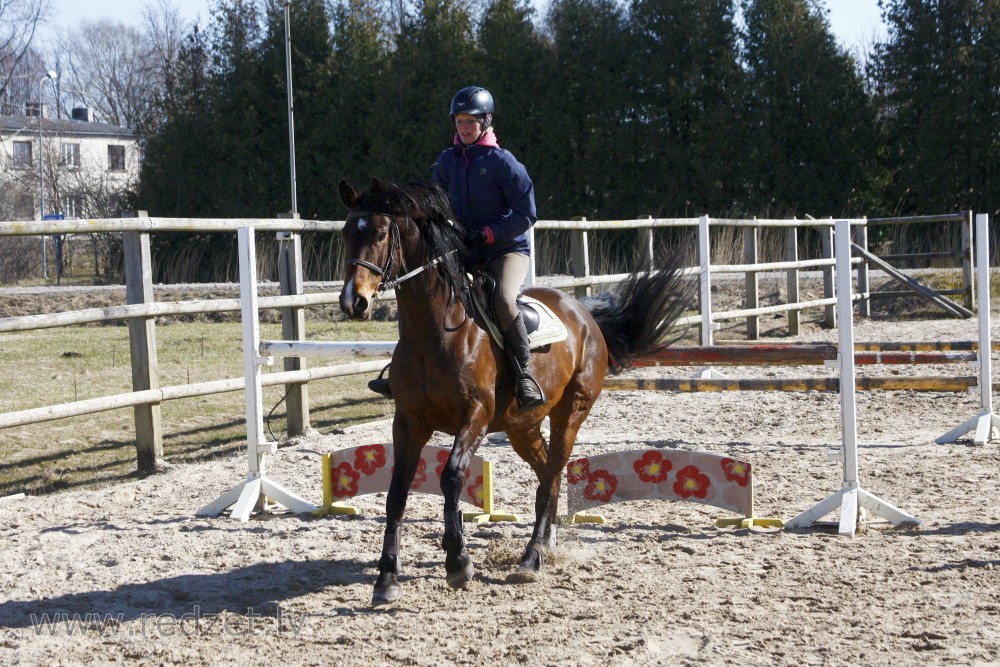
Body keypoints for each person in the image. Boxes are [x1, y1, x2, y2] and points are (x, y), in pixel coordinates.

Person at [431, 85, 544, 409]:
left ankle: (525, 375)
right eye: (460, 121)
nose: (464, 127)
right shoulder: (446, 162)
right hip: (465, 249)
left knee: (504, 300)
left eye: (471, 121)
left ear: (485, 122)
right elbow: (437, 203)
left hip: (505, 250)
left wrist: (489, 234)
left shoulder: (503, 163)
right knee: (428, 294)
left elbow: (527, 213)